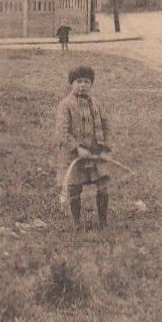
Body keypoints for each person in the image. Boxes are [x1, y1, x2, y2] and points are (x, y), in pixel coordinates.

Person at [56, 66, 110, 230]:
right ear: (72, 84)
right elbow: (62, 132)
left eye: (87, 82)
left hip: (95, 154)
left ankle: (103, 222)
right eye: (79, 82)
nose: (83, 85)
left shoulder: (96, 103)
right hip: (74, 157)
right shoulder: (65, 105)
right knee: (74, 189)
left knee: (103, 186)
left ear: (91, 84)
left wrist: (104, 146)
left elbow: (106, 125)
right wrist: (76, 148)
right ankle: (77, 223)